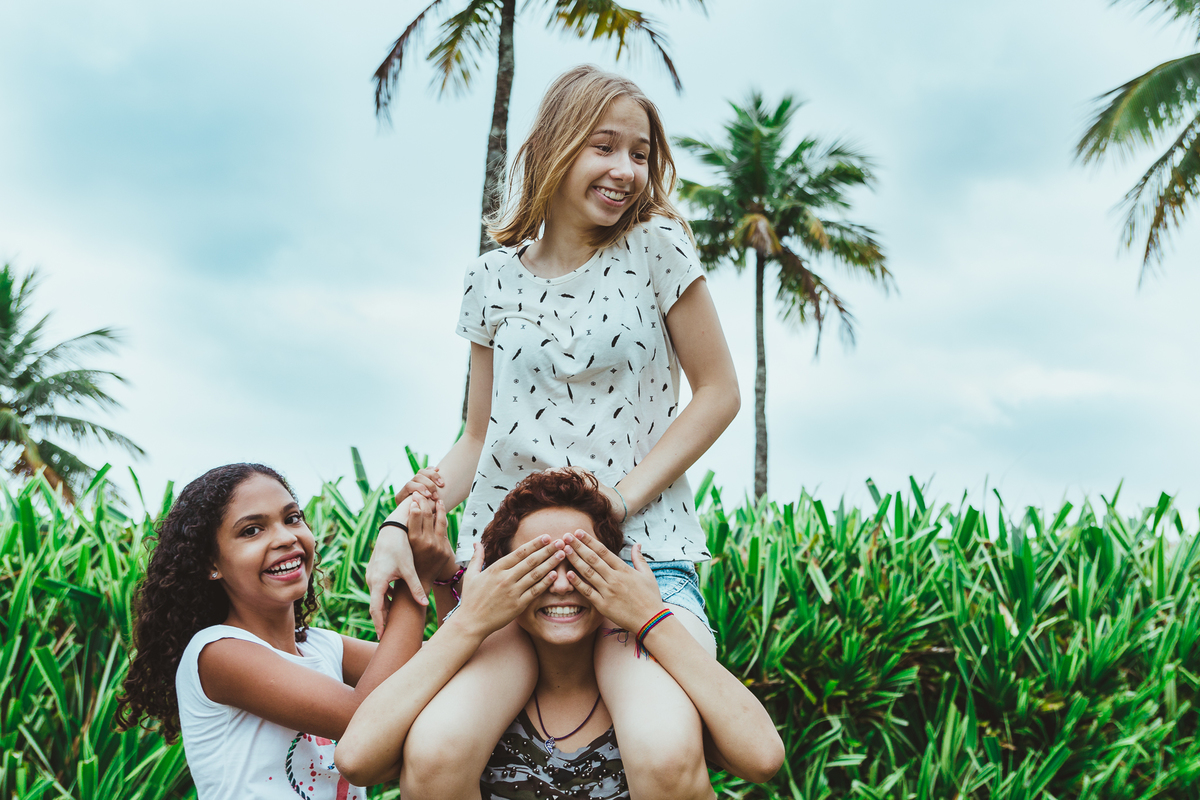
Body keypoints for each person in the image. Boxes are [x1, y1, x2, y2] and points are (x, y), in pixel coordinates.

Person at [367, 64, 742, 800]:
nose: (627, 170)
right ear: (556, 147)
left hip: (639, 561)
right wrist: (396, 521)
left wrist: (616, 505)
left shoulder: (658, 249)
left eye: (640, 153)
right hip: (512, 574)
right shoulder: (489, 279)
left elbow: (719, 393)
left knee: (667, 754)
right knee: (435, 757)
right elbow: (477, 437)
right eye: (605, 146)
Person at [336, 470, 782, 798]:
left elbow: (762, 758)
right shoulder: (479, 689)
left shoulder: (649, 694)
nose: (563, 584)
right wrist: (469, 621)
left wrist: (650, 616)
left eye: (583, 564)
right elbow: (357, 759)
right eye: (537, 566)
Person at [115, 463, 455, 799]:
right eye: (251, 530)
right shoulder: (218, 653)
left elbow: (448, 668)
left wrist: (427, 544)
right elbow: (365, 721)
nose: (285, 537)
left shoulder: (322, 646)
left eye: (292, 518)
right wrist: (416, 578)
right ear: (211, 564)